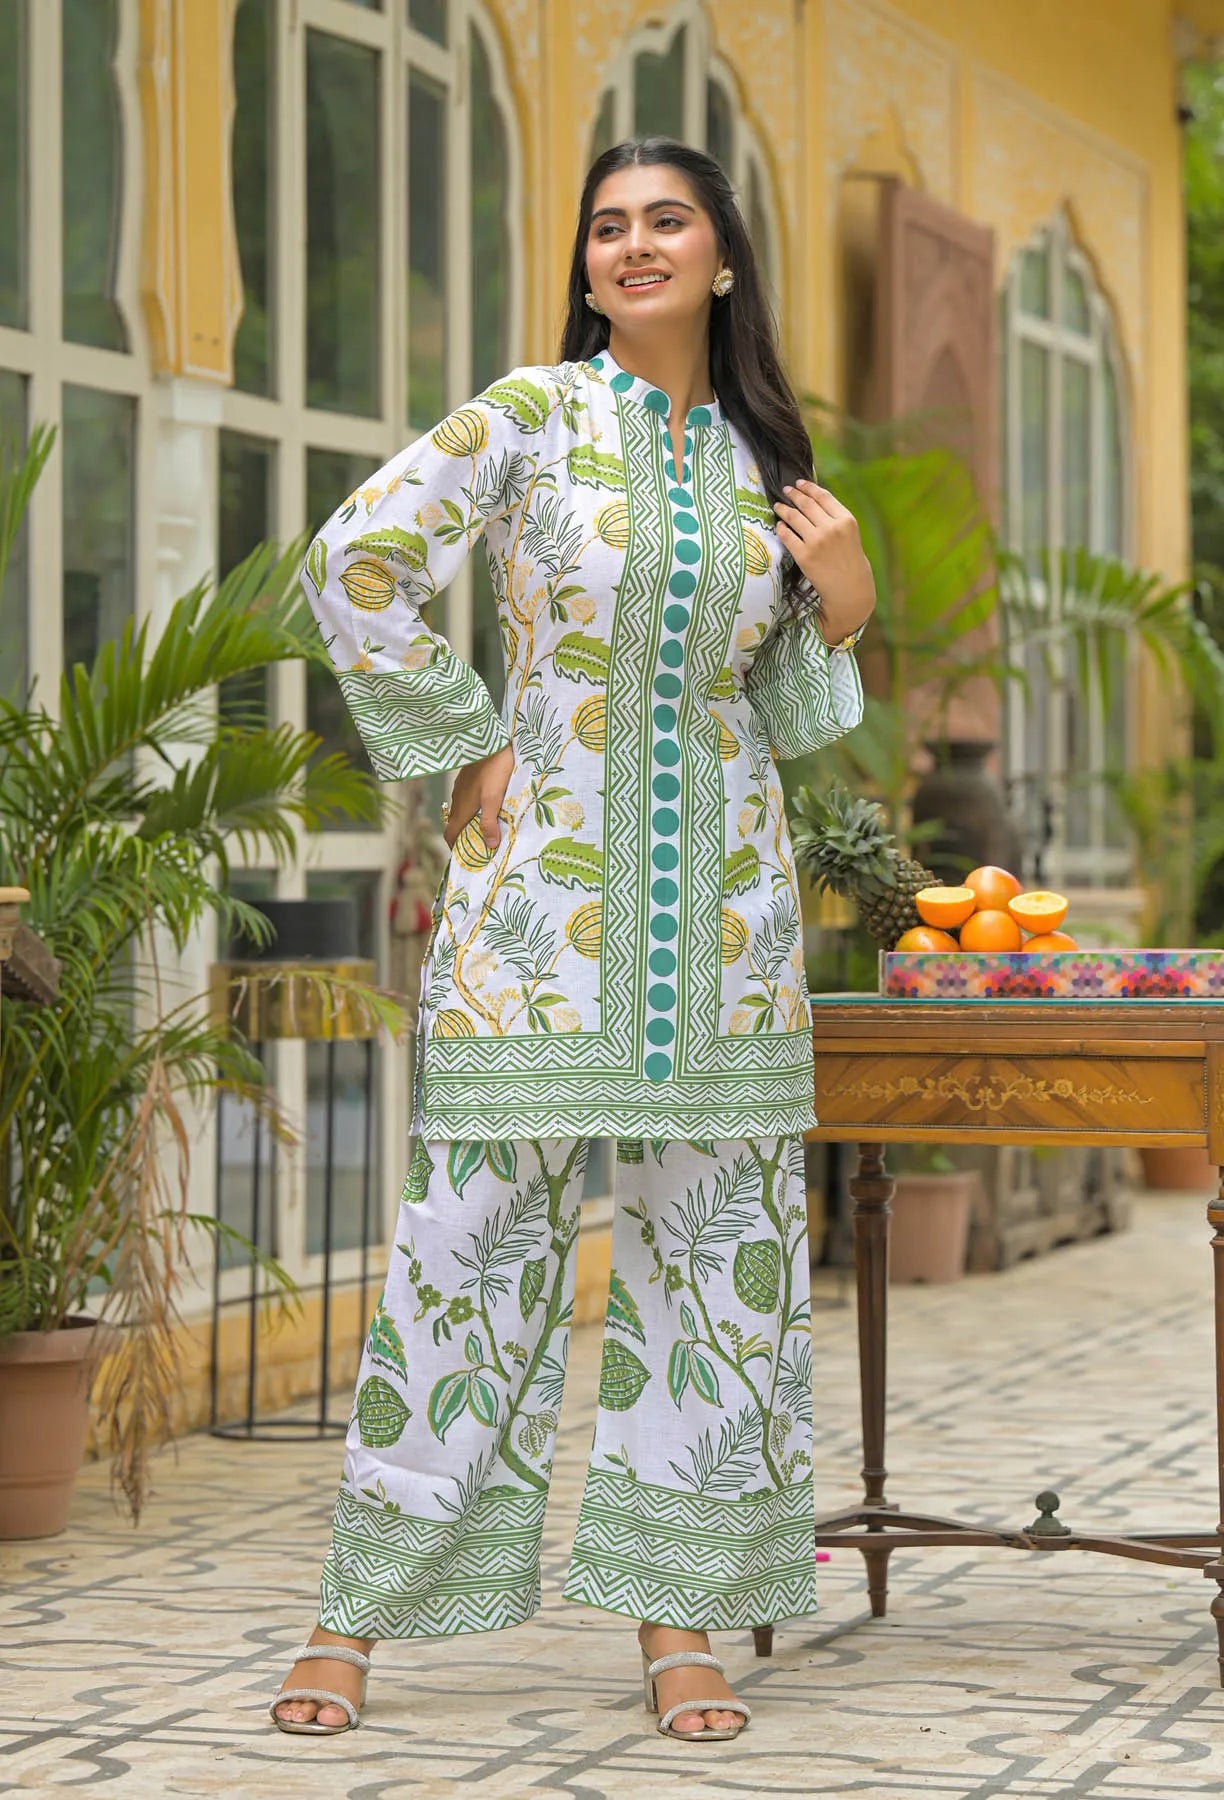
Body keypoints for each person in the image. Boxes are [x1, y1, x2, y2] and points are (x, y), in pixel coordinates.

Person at [272, 135, 874, 1744]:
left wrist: (846, 604)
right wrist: (461, 737)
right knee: (467, 1252)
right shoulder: (531, 413)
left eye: (665, 220)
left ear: (724, 256)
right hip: (537, 910)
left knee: (719, 1266)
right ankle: (357, 1614)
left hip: (730, 917)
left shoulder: (767, 465)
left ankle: (679, 1622)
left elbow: (796, 716)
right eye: (609, 226)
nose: (632, 245)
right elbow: (358, 557)